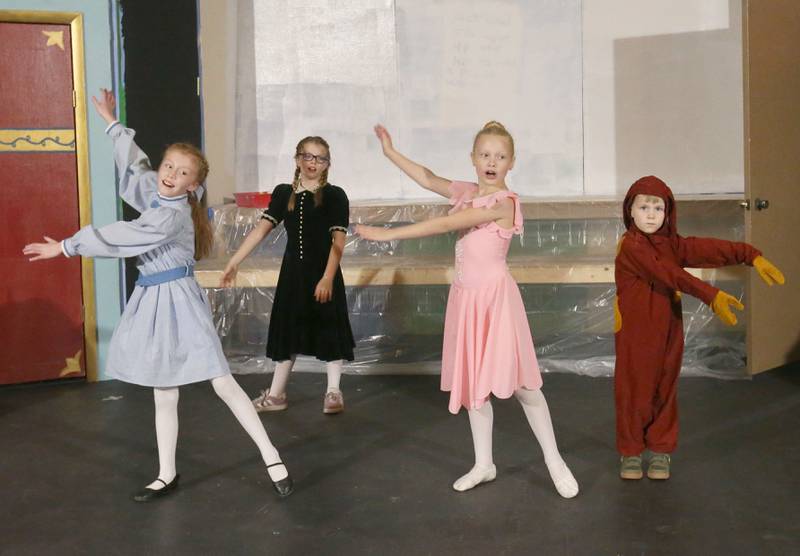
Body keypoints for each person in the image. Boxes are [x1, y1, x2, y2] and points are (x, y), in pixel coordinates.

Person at [23, 88, 292, 501]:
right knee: (164, 389)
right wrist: (112, 123)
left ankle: (272, 457)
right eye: (169, 166)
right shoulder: (158, 190)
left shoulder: (171, 214)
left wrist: (66, 246)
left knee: (222, 382)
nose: (171, 174)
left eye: (183, 173)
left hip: (179, 299)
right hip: (152, 298)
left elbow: (124, 235)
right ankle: (167, 472)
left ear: (194, 185)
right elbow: (136, 170)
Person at [357, 122, 579, 498]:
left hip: (495, 301)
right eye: (485, 154)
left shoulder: (504, 203)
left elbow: (447, 222)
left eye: (501, 156)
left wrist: (387, 235)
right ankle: (483, 463)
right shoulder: (467, 191)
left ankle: (554, 460)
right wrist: (390, 152)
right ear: (474, 159)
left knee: (524, 386)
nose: (492, 161)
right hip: (467, 300)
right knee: (476, 386)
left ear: (512, 163)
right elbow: (427, 178)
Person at [614, 175, 785, 480]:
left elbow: (707, 248)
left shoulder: (672, 244)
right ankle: (630, 451)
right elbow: (668, 273)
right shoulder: (631, 246)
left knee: (665, 389)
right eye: (644, 207)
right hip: (635, 336)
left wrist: (750, 255)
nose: (651, 214)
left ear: (668, 213)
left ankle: (660, 451)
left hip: (670, 331)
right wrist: (711, 295)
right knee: (635, 392)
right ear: (630, 211)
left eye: (658, 208)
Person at [220, 136, 355, 415]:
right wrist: (234, 262)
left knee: (329, 327)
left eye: (319, 158)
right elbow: (260, 230)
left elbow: (338, 242)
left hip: (323, 274)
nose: (312, 163)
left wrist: (328, 277)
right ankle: (277, 394)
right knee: (289, 333)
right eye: (307, 156)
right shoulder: (284, 194)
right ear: (297, 159)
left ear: (327, 164)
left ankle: (333, 391)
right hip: (293, 276)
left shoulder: (335, 195)